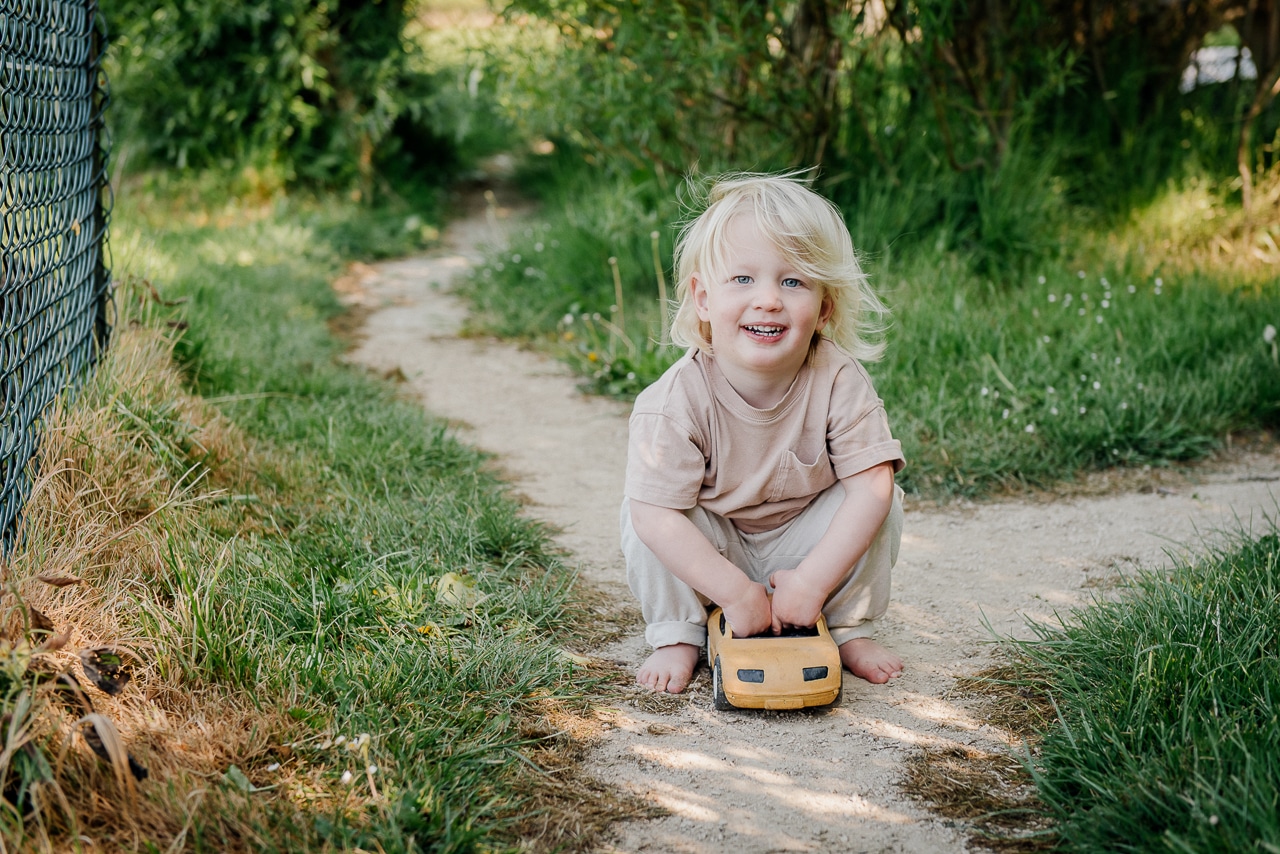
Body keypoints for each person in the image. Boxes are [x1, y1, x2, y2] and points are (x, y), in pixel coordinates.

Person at [621, 172, 905, 695]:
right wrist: (734, 593)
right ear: (703, 299)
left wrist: (812, 582)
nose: (769, 300)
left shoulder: (838, 379)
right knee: (649, 508)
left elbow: (871, 488)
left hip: (805, 547)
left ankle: (847, 626)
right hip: (716, 547)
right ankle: (678, 632)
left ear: (824, 308)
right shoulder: (675, 401)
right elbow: (654, 518)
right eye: (742, 279)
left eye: (793, 282)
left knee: (880, 493)